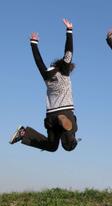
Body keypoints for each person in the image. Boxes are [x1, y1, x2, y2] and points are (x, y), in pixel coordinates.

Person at [9, 18, 79, 152]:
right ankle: (68, 131)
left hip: (51, 117)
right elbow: (69, 52)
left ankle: (24, 133)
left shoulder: (47, 75)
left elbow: (39, 62)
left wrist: (33, 43)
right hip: (65, 111)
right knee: (70, 144)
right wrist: (69, 31)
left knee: (52, 146)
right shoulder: (64, 72)